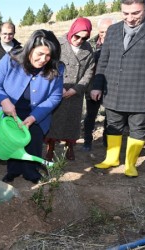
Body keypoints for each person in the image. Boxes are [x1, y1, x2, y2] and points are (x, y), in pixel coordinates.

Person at [90, 0, 145, 177]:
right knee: (113, 125)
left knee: (138, 127)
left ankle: (130, 164)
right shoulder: (113, 29)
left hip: (143, 90)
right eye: (125, 13)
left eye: (136, 13)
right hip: (113, 88)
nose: (130, 18)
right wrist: (97, 85)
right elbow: (103, 60)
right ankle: (111, 158)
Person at [0, 29, 64, 184]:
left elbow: (55, 96)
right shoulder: (11, 60)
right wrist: (4, 101)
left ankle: (31, 172)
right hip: (10, 111)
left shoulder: (56, 67)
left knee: (34, 140)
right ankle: (13, 171)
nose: (44, 59)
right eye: (40, 54)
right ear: (30, 49)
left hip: (36, 112)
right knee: (12, 141)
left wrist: (34, 117)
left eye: (48, 55)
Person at [45, 17, 95, 161]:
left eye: (84, 38)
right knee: (55, 121)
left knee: (72, 122)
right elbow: (50, 65)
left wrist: (77, 89)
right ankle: (51, 147)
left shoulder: (88, 48)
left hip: (75, 93)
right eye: (77, 36)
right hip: (58, 90)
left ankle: (70, 146)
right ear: (72, 31)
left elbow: (89, 71)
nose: (79, 40)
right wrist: (57, 87)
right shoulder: (58, 44)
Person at [82, 17, 116, 151]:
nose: (104, 34)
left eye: (107, 31)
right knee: (90, 115)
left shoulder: (119, 44)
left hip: (111, 87)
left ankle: (107, 140)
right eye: (102, 31)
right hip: (92, 86)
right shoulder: (89, 44)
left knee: (110, 116)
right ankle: (87, 141)